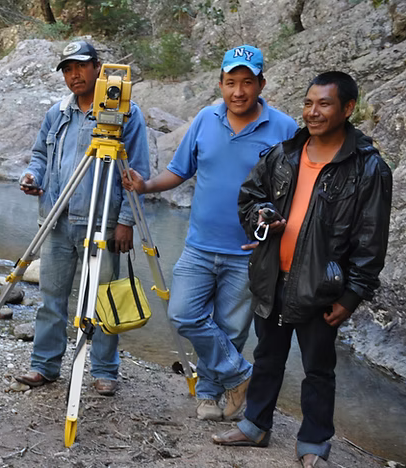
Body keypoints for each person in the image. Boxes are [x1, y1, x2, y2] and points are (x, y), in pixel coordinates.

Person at [213, 71, 392, 468]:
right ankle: (255, 425)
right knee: (267, 357)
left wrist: (352, 295)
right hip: (273, 275)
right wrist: (263, 216)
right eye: (309, 103)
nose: (313, 112)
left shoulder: (368, 168)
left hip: (322, 287)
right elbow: (250, 197)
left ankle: (313, 443)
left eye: (324, 104)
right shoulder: (284, 153)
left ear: (348, 109)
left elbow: (371, 238)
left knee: (318, 369)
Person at [122, 45, 298, 420]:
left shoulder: (284, 128)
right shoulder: (205, 119)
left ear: (261, 84)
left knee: (231, 330)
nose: (238, 91)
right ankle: (240, 375)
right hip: (200, 246)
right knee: (184, 315)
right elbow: (180, 171)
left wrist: (283, 229)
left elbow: (297, 190)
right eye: (230, 82)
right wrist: (146, 185)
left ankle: (210, 397)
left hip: (251, 251)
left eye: (247, 82)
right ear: (220, 84)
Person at [16, 40, 149, 396]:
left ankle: (105, 370)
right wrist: (34, 177)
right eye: (67, 69)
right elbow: (40, 157)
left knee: (103, 298)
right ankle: (45, 365)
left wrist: (126, 221)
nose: (74, 75)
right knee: (51, 297)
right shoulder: (57, 114)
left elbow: (136, 171)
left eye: (81, 66)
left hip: (103, 222)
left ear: (97, 67)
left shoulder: (126, 113)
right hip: (58, 220)